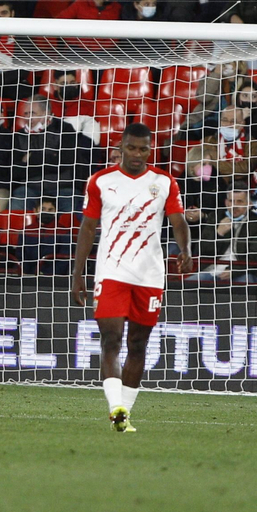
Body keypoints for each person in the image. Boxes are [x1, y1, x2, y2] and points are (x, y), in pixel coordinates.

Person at [71, 123, 195, 433]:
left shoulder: (163, 182)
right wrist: (78, 273)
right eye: (131, 148)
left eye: (143, 149)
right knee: (111, 339)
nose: (137, 154)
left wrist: (185, 249)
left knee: (138, 344)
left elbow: (178, 220)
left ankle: (125, 413)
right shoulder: (101, 181)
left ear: (150, 150)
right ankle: (116, 408)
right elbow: (88, 228)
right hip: (111, 271)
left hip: (150, 274)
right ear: (121, 147)